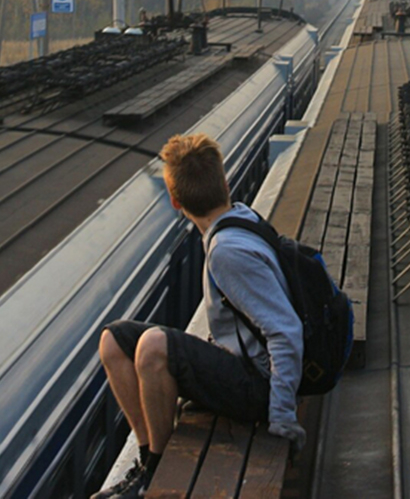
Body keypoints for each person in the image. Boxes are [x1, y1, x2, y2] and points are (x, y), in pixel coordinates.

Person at [95, 133, 306, 498]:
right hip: (247, 370)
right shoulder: (239, 217)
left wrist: (283, 419)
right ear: (224, 184)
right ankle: (147, 455)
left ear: (176, 202)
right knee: (114, 340)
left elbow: (286, 332)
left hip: (260, 389)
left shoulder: (227, 251)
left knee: (153, 346)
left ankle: (155, 471)